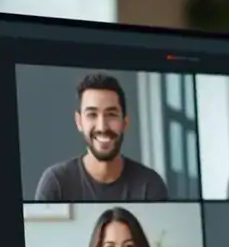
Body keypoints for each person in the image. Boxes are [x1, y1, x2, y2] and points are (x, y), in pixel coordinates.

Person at [35, 73, 169, 201]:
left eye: (111, 114)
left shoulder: (150, 184)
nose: (102, 127)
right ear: (79, 122)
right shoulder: (56, 183)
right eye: (92, 115)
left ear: (125, 122)